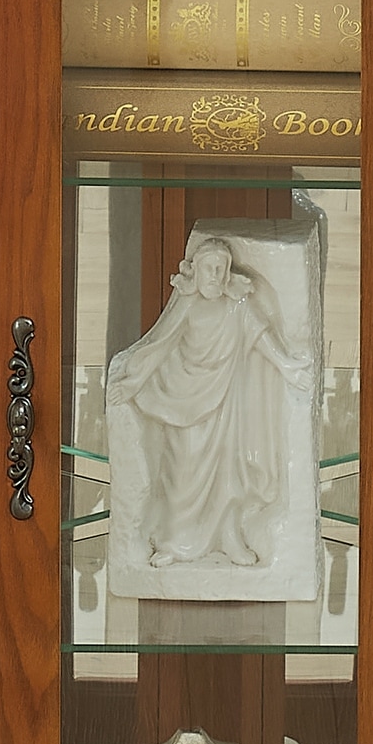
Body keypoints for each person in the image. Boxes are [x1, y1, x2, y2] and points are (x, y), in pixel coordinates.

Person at [109, 235, 307, 573]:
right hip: (184, 403)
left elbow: (260, 338)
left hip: (224, 405)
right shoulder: (187, 306)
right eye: (208, 269)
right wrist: (131, 383)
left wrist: (287, 366)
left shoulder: (238, 306)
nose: (214, 275)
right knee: (182, 475)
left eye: (220, 268)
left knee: (227, 475)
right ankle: (174, 543)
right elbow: (159, 345)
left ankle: (229, 537)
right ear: (195, 273)